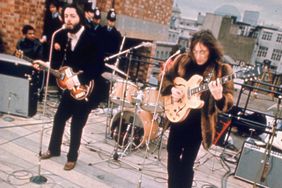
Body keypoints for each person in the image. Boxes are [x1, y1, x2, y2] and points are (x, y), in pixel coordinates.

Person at [34, 4, 105, 171]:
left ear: (80, 17)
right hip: (70, 87)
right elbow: (60, 64)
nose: (68, 19)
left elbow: (99, 67)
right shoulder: (64, 36)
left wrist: (79, 78)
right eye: (66, 16)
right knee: (59, 118)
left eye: (72, 16)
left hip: (87, 87)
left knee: (76, 123)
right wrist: (45, 64)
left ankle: (72, 157)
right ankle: (54, 149)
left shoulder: (92, 37)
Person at [161, 30, 234, 188]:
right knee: (172, 156)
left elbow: (228, 102)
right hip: (178, 116)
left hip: (198, 124)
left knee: (187, 163)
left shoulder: (221, 70)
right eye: (195, 51)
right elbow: (165, 78)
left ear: (211, 50)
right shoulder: (182, 61)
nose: (198, 56)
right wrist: (171, 89)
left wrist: (219, 96)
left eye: (203, 52)